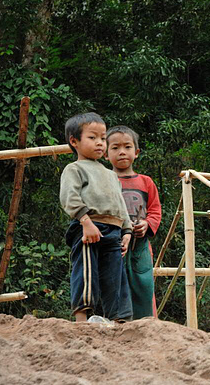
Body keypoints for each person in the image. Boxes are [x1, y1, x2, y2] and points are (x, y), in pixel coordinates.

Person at [60, 112, 132, 322]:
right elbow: (69, 198)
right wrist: (86, 222)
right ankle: (82, 319)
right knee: (86, 273)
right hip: (87, 227)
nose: (100, 143)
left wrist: (126, 231)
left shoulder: (111, 174)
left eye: (102, 138)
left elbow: (121, 204)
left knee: (115, 277)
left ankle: (119, 321)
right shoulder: (74, 169)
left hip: (114, 230)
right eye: (93, 138)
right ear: (74, 141)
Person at [106, 125, 162, 319]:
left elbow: (155, 210)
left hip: (140, 246)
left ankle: (147, 323)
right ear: (105, 154)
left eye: (127, 147)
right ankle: (116, 323)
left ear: (136, 152)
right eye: (115, 147)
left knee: (144, 284)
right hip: (113, 243)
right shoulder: (105, 181)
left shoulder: (146, 182)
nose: (122, 152)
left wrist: (147, 224)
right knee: (113, 284)